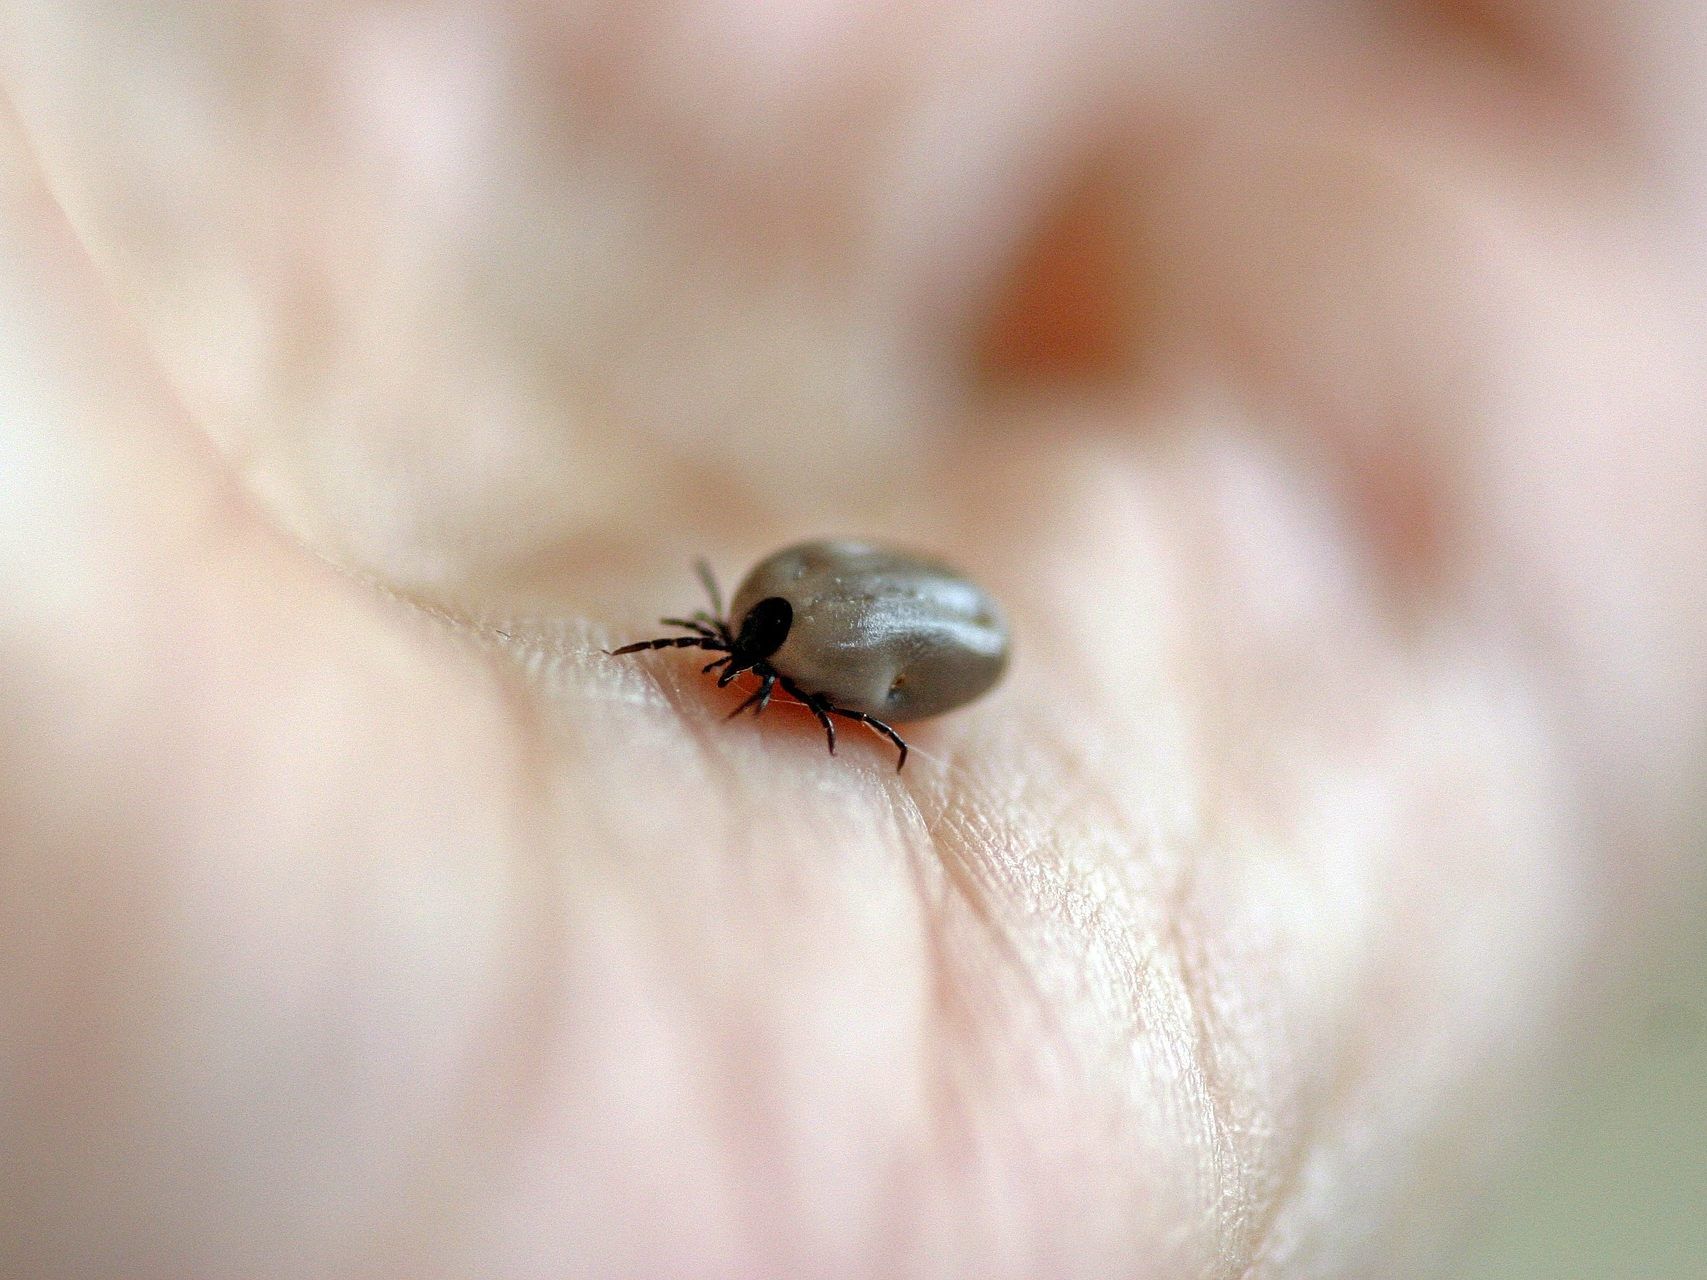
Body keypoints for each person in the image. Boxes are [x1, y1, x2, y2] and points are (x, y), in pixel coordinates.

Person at [1, 2, 1702, 1274]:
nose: (725, 679)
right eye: (740, 664)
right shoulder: (788, 635)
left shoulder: (797, 631)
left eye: (741, 668)